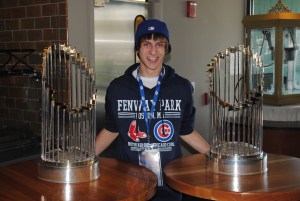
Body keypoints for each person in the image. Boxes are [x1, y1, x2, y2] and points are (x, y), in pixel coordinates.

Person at [95, 18, 210, 201]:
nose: (153, 51)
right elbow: (111, 128)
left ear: (166, 49)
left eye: (160, 44)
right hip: (128, 178)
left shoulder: (181, 87)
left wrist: (215, 155)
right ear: (137, 48)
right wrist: (84, 159)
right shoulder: (118, 88)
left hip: (169, 180)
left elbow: (186, 131)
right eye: (147, 43)